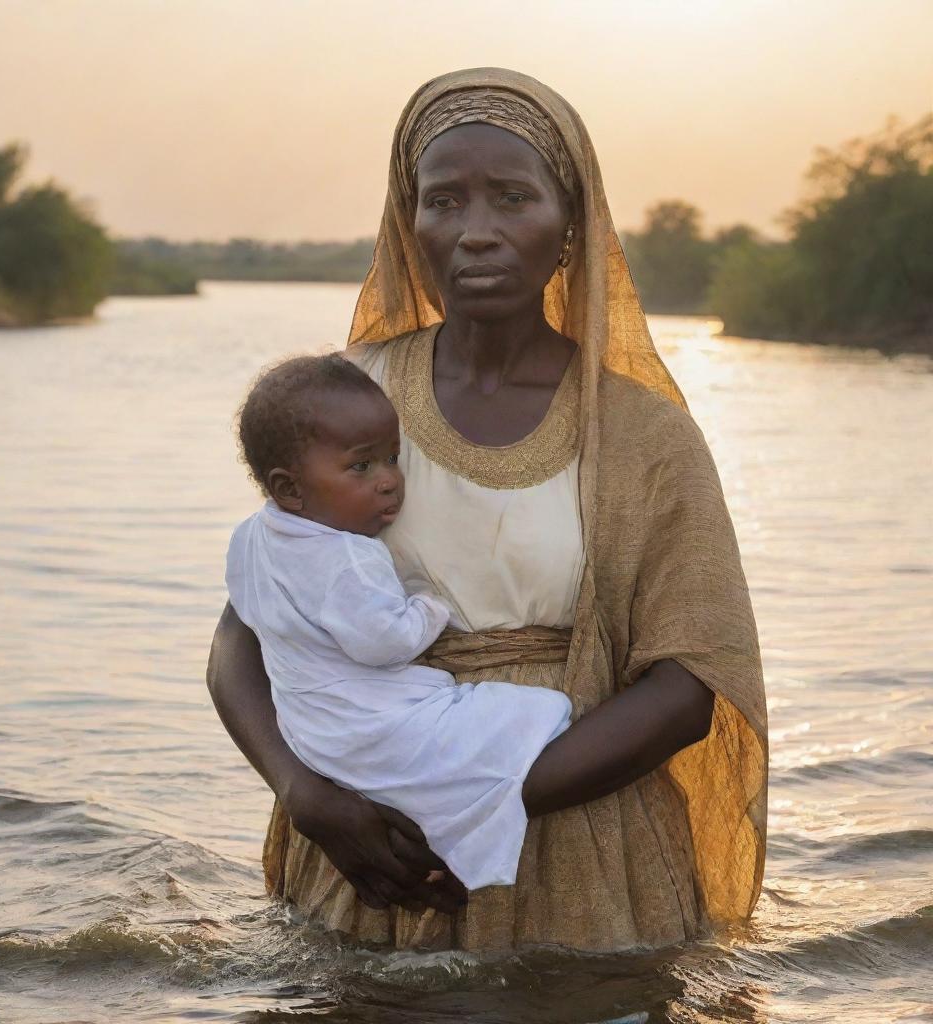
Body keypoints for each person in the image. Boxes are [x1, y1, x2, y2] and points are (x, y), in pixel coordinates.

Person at [207, 67, 767, 952]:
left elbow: (688, 688)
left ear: (571, 224)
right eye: (443, 202)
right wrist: (302, 792)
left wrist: (469, 792)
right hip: (369, 851)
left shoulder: (645, 437)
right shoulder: (349, 400)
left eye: (512, 197)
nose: (476, 233)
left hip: (575, 838)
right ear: (409, 222)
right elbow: (247, 632)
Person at [225, 353, 572, 892]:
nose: (389, 481)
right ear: (289, 488)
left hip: (310, 737)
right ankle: (465, 844)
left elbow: (248, 615)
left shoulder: (248, 540)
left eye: (392, 458)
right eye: (361, 466)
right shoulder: (349, 555)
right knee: (538, 714)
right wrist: (429, 606)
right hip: (372, 727)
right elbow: (385, 644)